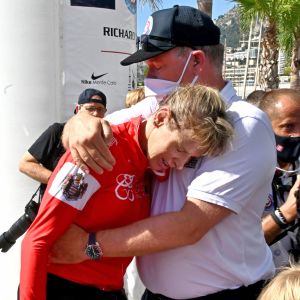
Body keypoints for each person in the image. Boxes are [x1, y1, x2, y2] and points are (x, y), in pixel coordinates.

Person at [52, 5, 277, 300]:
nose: (148, 76)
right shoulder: (161, 107)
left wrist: (88, 245)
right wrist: (79, 123)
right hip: (155, 294)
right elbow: (104, 128)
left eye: (156, 65)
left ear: (196, 61)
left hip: (226, 293)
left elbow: (189, 225)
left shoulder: (243, 124)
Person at [20, 84, 234, 300]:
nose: (179, 165)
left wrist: (91, 249)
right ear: (160, 118)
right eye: (180, 149)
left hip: (110, 290)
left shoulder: (153, 168)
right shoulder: (100, 151)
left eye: (190, 158)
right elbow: (37, 240)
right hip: (60, 288)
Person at [19, 88, 107, 196]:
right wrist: (60, 182)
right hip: (56, 203)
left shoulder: (107, 136)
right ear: (78, 108)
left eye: (100, 109)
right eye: (90, 108)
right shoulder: (58, 130)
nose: (95, 113)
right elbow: (25, 164)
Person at [259, 89, 300, 268]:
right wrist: (286, 213)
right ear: (264, 128)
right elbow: (238, 244)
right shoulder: (243, 175)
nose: (297, 134)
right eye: (288, 126)